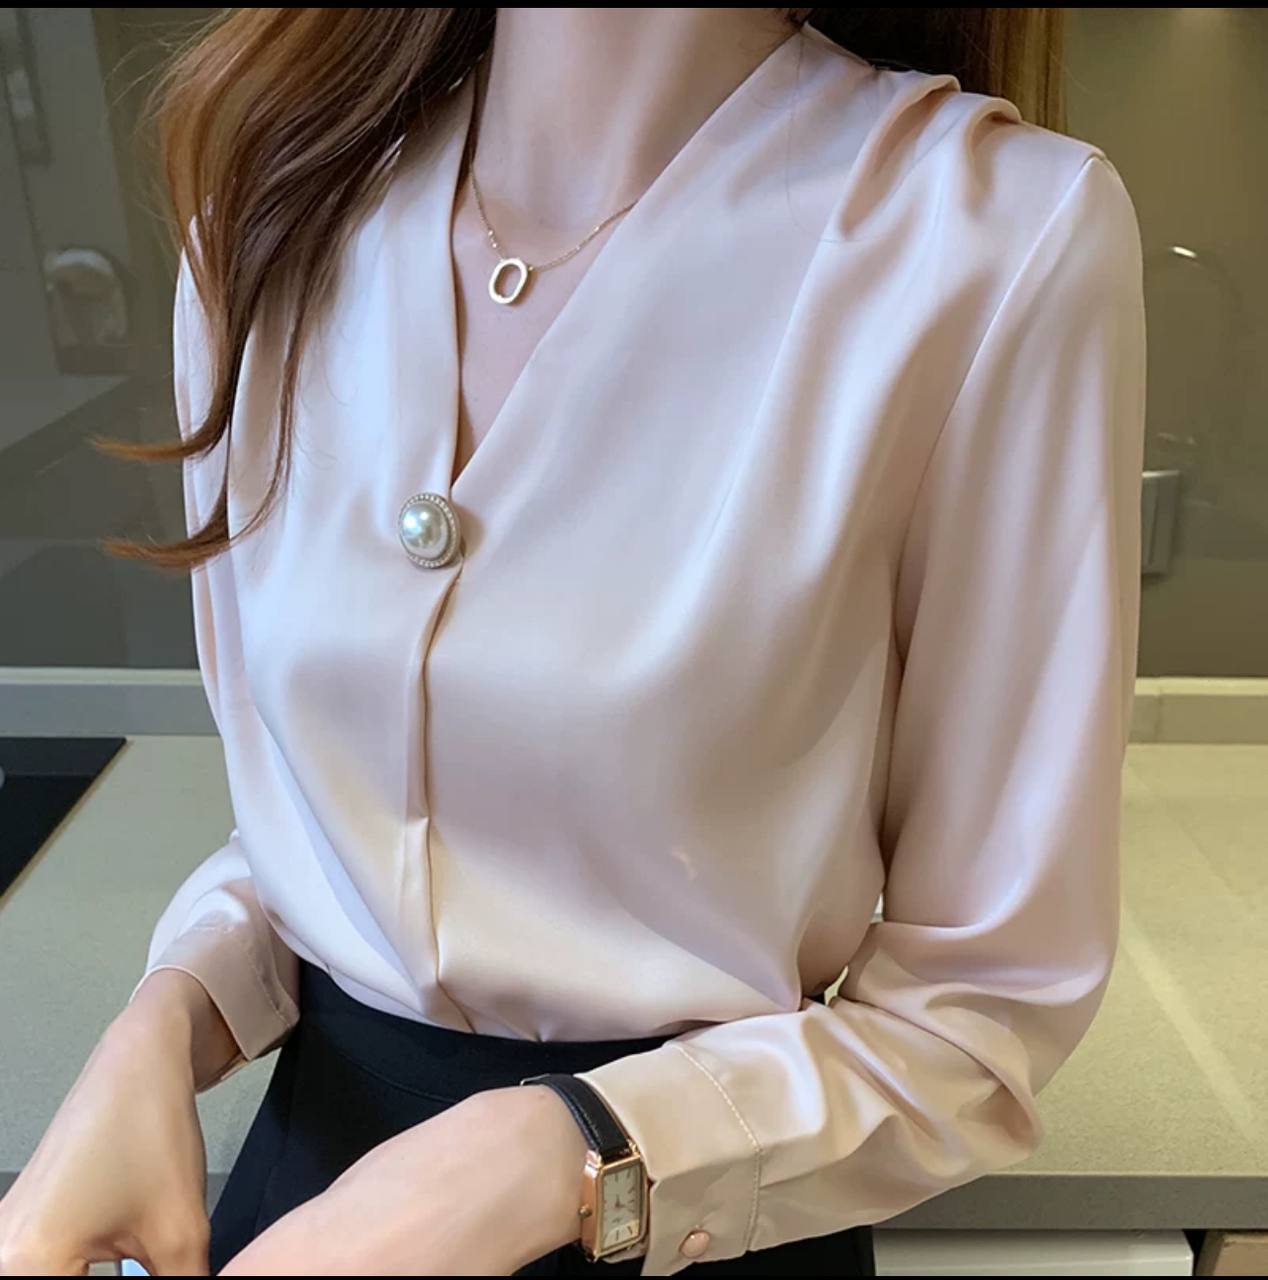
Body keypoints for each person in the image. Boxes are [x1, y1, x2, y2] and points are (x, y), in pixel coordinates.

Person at [0, 7, 1147, 1277]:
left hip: (701, 1227)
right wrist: (167, 1018)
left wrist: (559, 1152)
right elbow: (312, 832)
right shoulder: (273, 203)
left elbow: (976, 1015)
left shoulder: (990, 238)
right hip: (300, 1194)